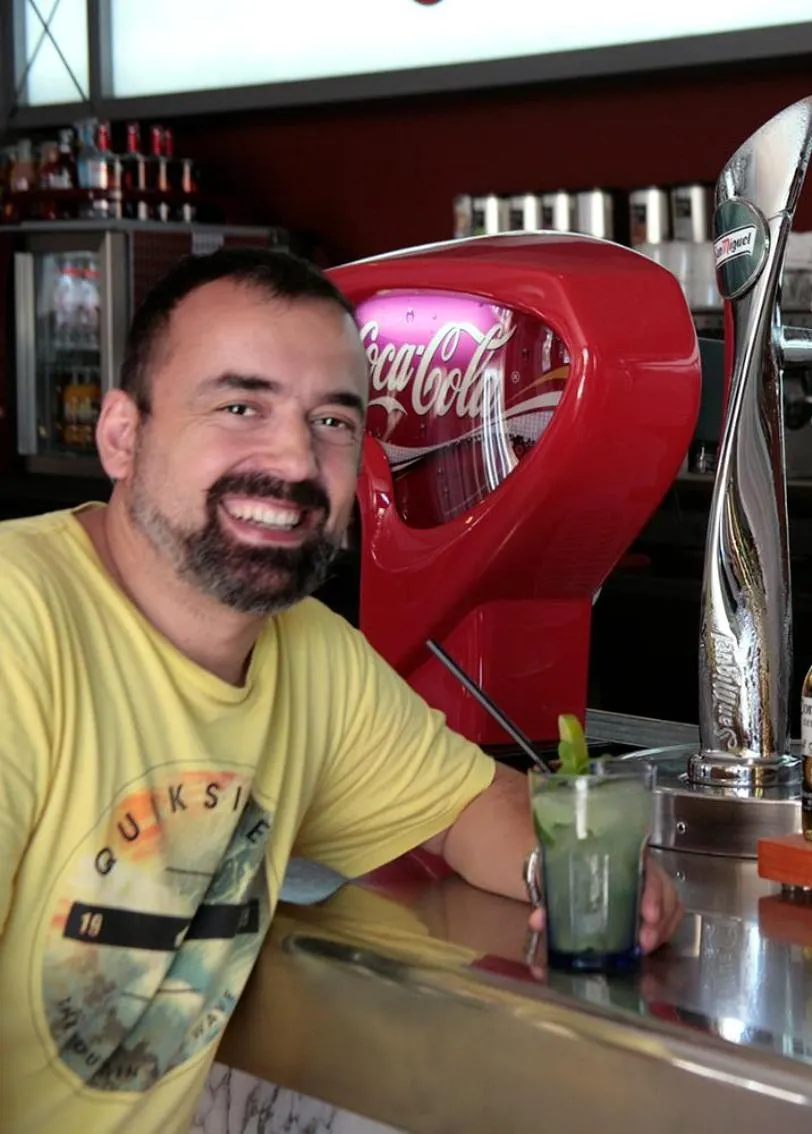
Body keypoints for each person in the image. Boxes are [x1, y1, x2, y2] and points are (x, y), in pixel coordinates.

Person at [0, 247, 684, 1132]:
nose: (293, 458)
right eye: (240, 406)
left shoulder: (307, 657)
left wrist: (571, 871)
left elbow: (471, 808)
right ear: (122, 434)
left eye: (331, 420)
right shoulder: (20, 623)